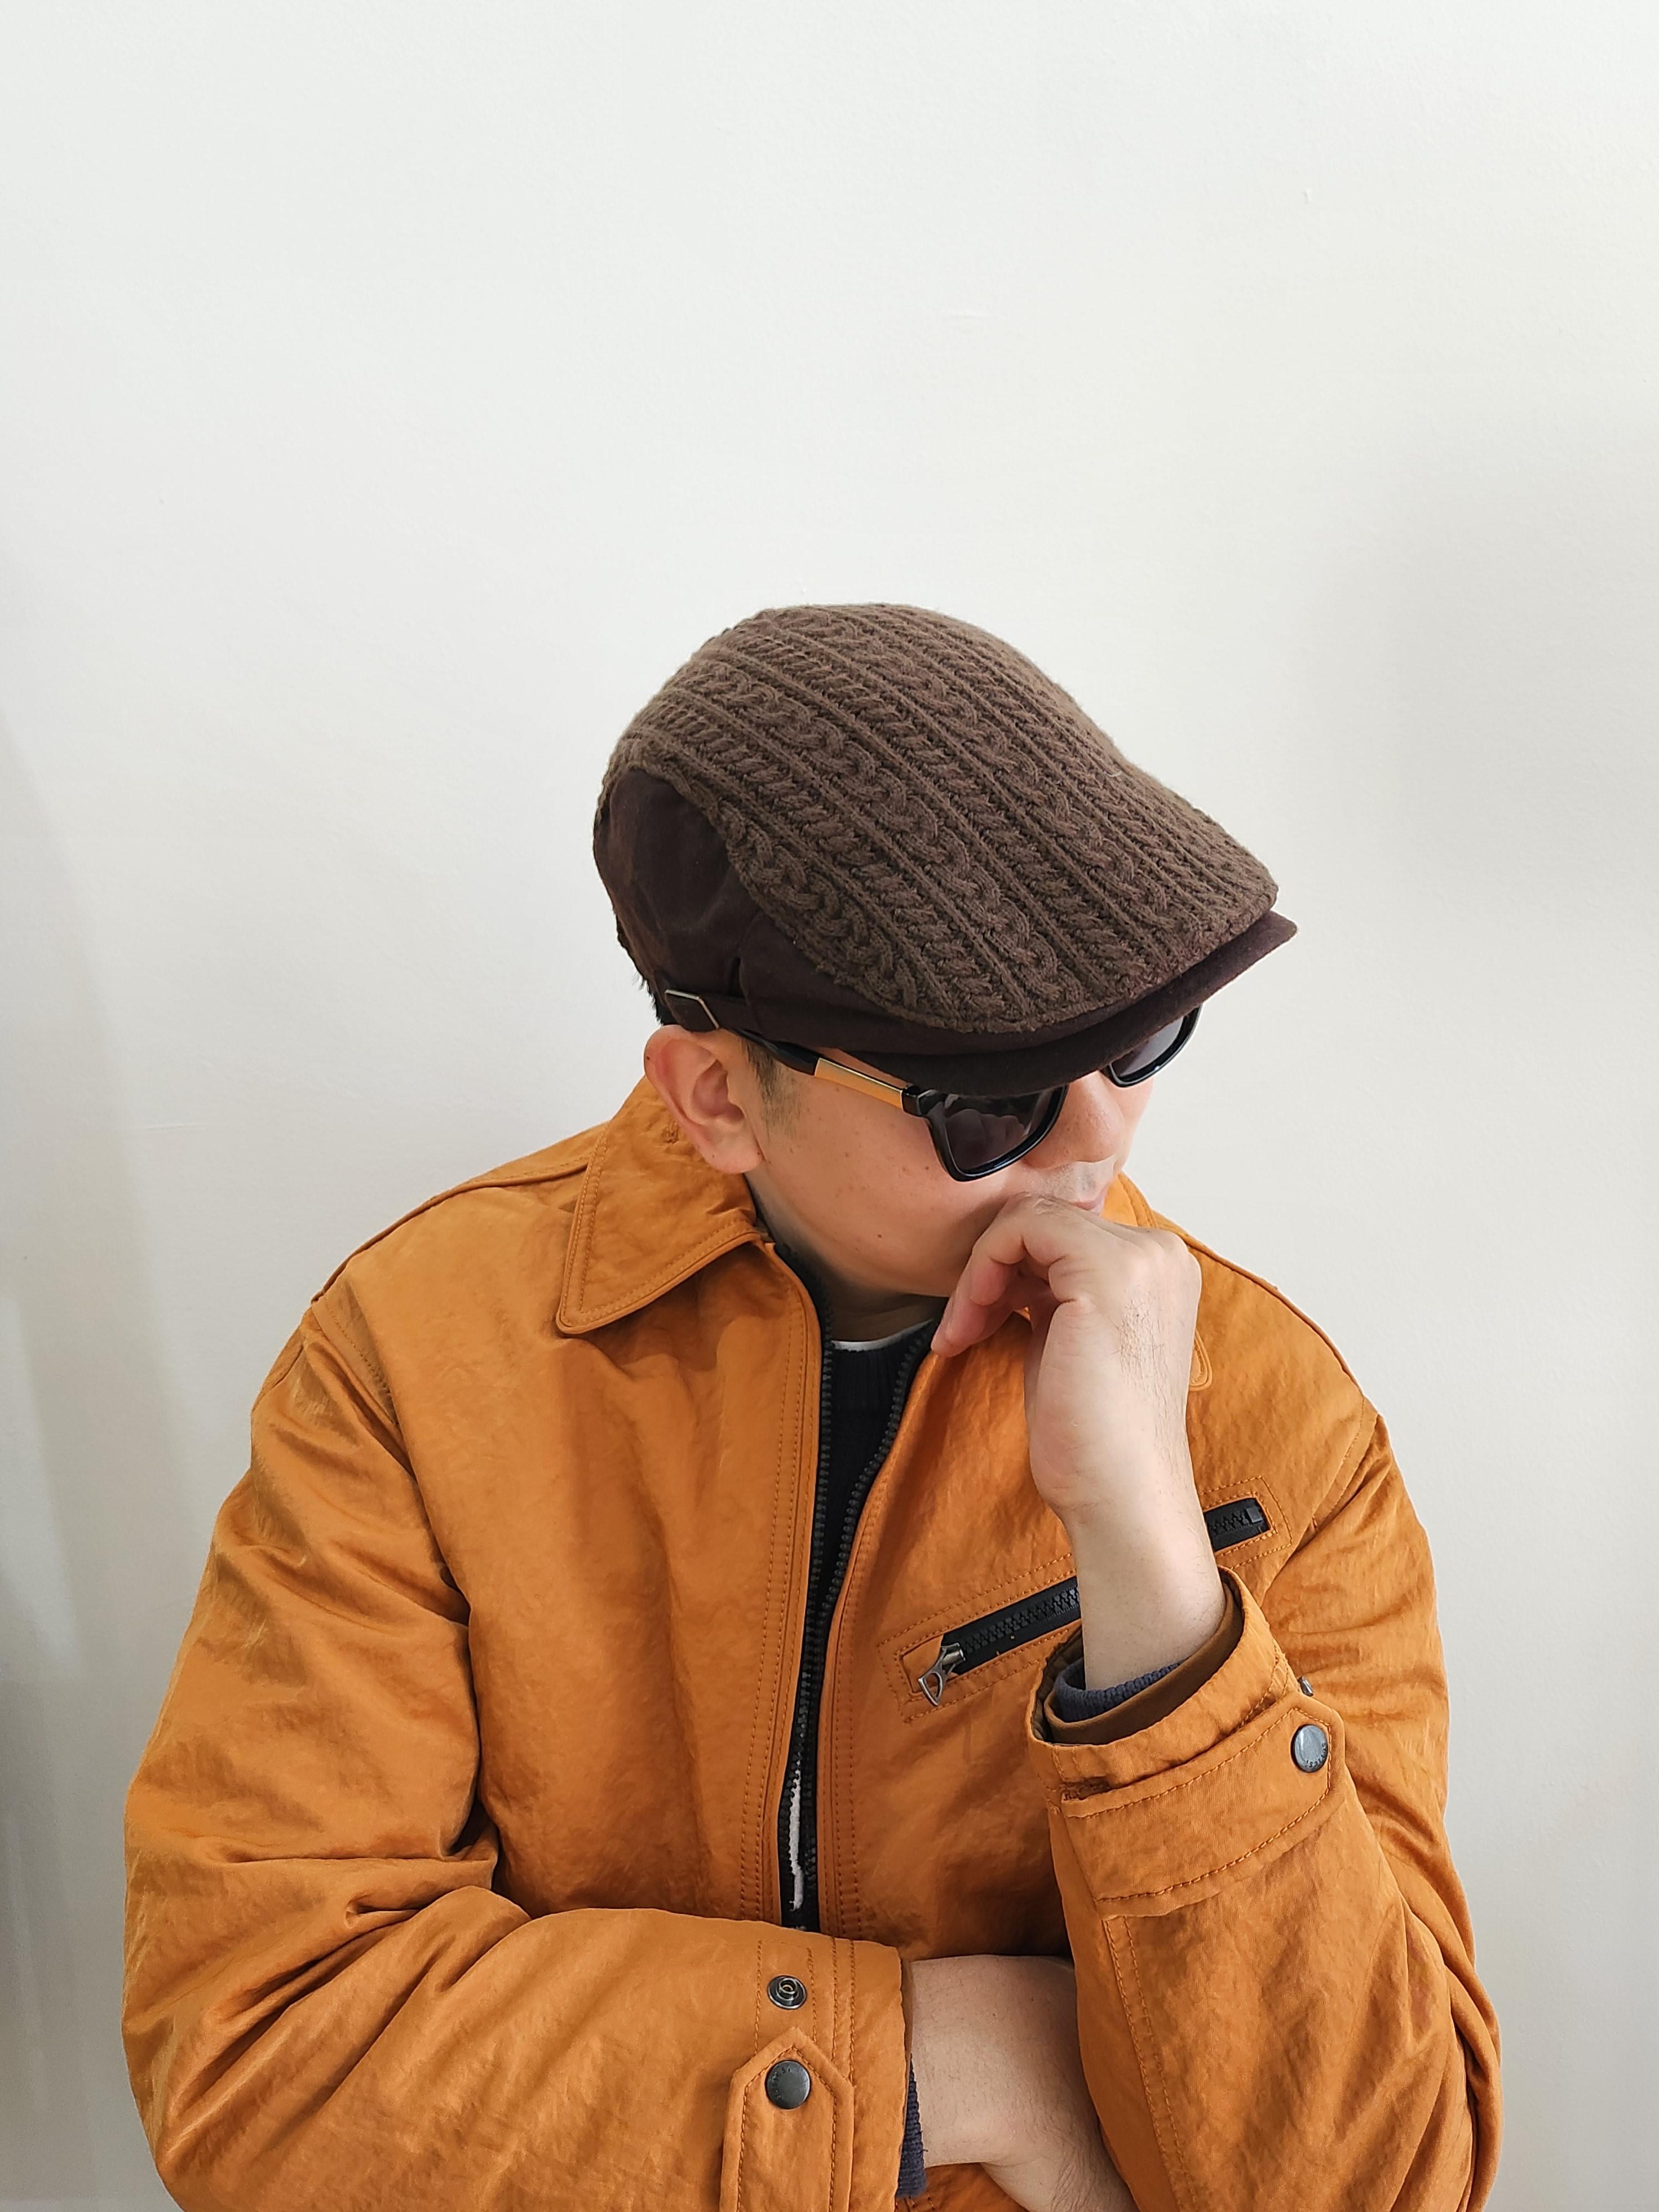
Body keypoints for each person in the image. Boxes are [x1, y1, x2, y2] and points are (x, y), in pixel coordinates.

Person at [123, 603, 1501, 2211]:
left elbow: (1373, 2181)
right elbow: (261, 2057)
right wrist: (961, 2057)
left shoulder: (1271, 1417)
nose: (1100, 1140)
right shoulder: (422, 1359)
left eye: (1141, 1042)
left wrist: (1151, 1567)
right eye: (988, 1100)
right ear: (718, 1096)